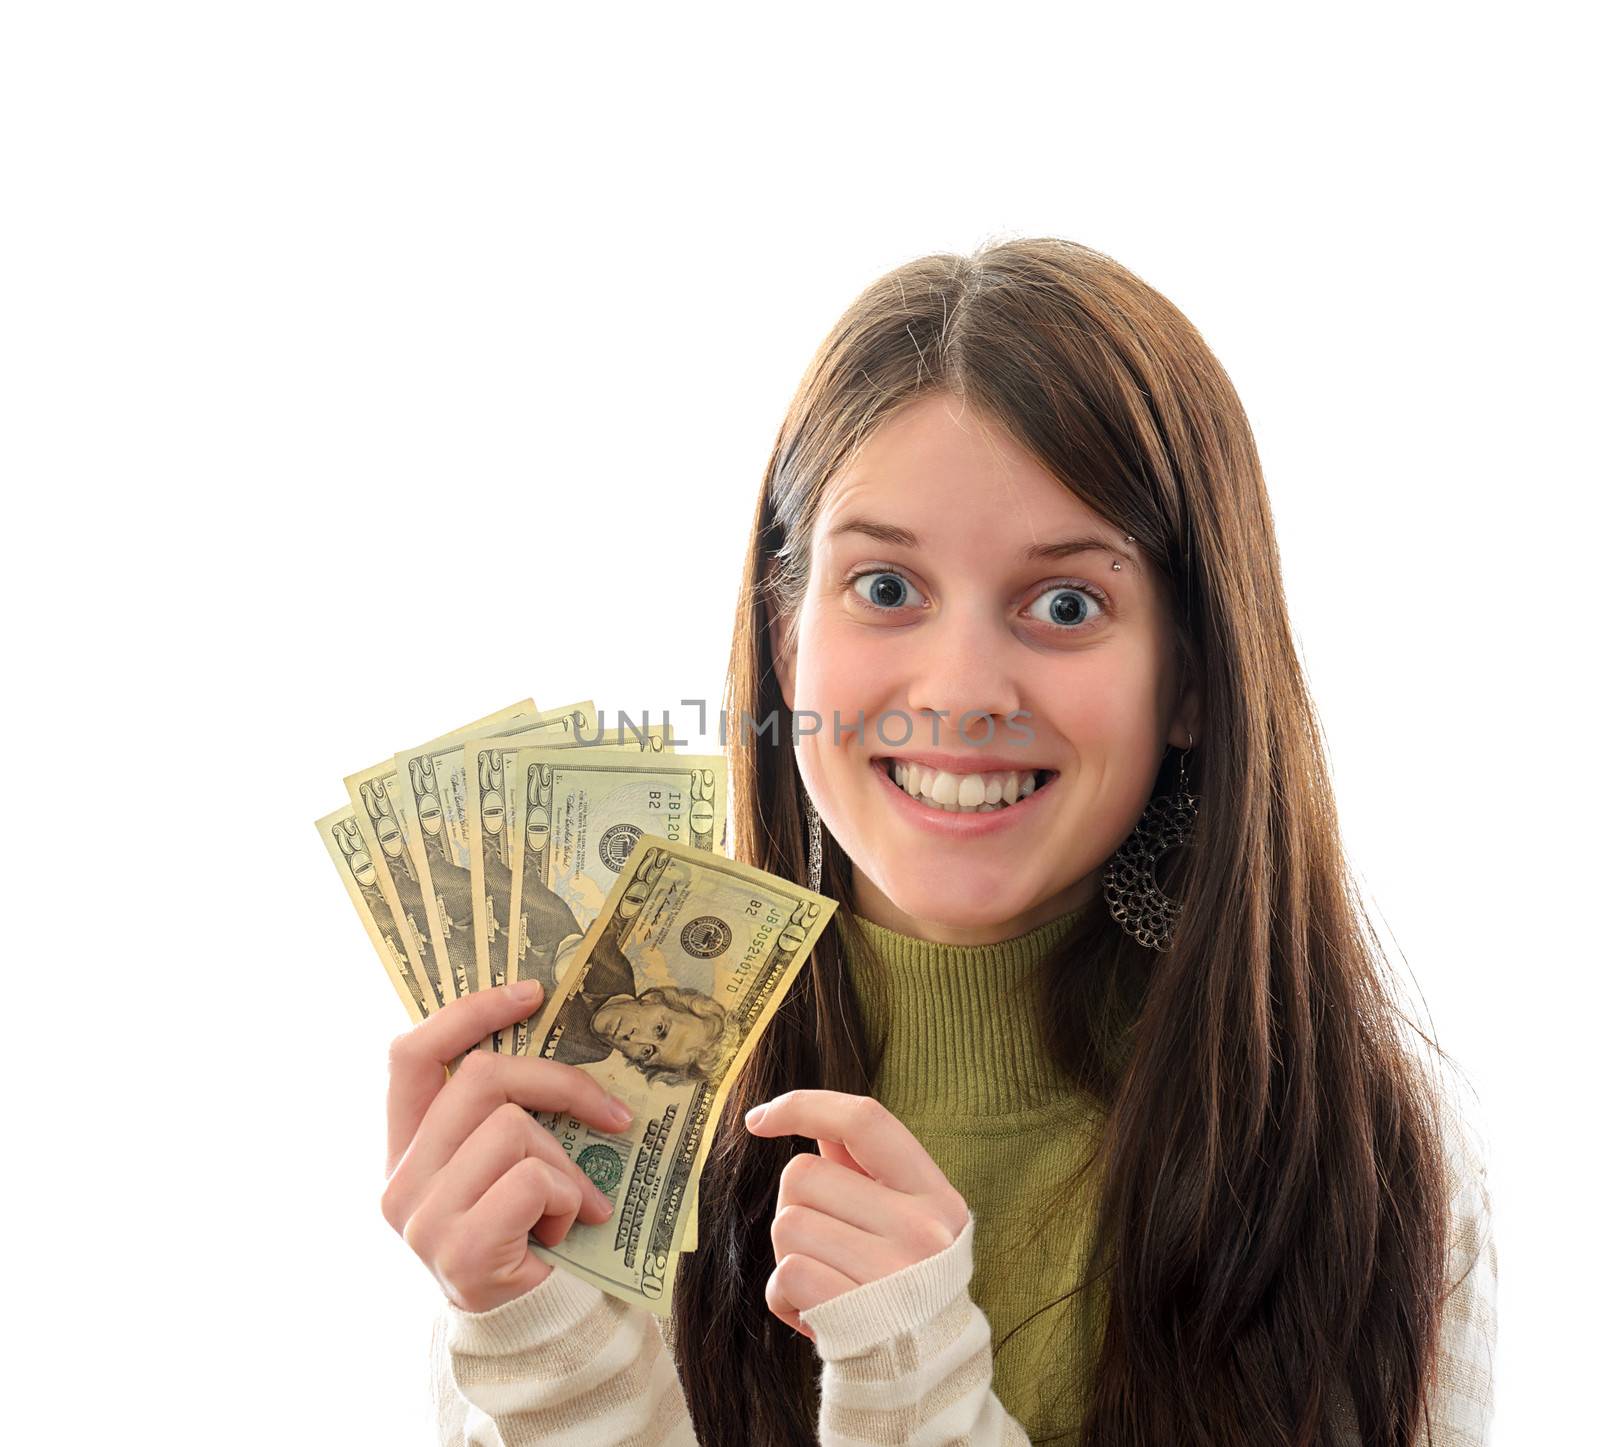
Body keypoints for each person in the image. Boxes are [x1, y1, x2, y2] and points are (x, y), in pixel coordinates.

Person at [383, 237, 1497, 1445]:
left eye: (1065, 603)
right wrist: (546, 1350)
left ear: (1189, 676)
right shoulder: (589, 1112)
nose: (960, 689)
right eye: (884, 589)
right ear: (784, 633)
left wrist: (920, 1393)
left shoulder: (1362, 1158)